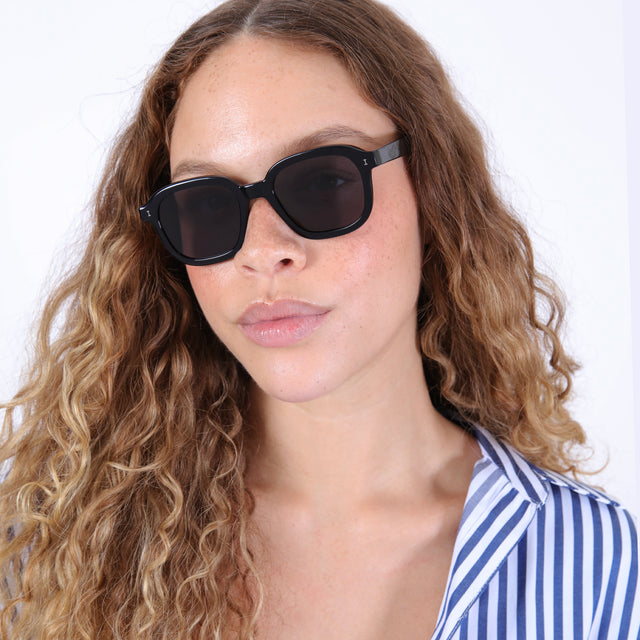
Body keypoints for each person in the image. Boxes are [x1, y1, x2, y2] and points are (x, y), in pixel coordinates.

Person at [0, 0, 637, 637]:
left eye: (323, 182)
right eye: (208, 203)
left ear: (433, 187)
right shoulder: (45, 544)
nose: (263, 251)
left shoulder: (600, 566)